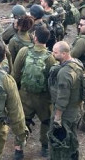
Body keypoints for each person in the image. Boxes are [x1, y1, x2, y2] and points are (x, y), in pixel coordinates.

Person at [12, 25, 57, 158]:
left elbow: (16, 74)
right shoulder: (51, 58)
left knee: (22, 122)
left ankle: (18, 150)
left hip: (25, 94)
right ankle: (44, 147)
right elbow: (51, 80)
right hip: (43, 98)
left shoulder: (24, 52)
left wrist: (17, 90)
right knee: (46, 122)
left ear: (35, 37)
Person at [48, 41, 85, 160]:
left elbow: (62, 98)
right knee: (72, 136)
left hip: (66, 113)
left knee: (60, 141)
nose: (52, 54)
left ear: (64, 54)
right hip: (76, 108)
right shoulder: (77, 63)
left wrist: (57, 117)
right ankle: (73, 155)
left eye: (55, 52)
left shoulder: (65, 73)